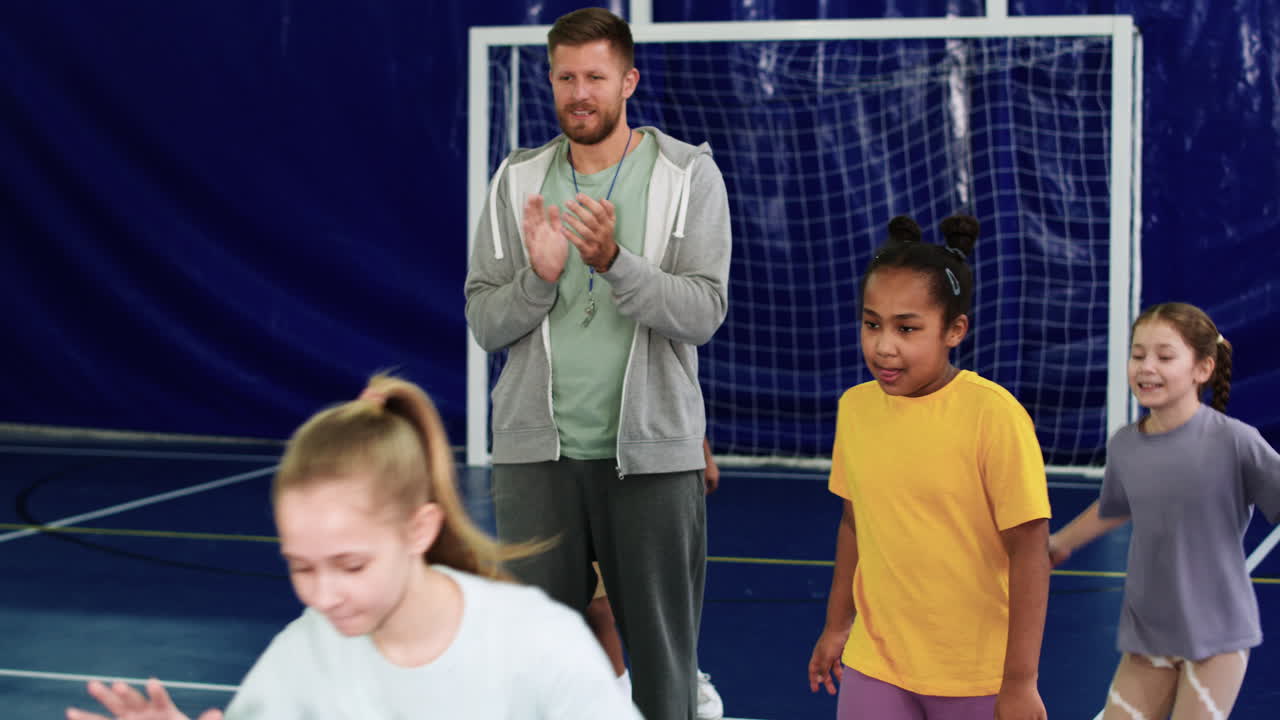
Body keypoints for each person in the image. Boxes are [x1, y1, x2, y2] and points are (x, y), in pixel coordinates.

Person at [66, 375, 642, 720]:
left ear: (419, 530)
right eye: (301, 567)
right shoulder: (304, 654)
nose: (324, 595)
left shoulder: (535, 641)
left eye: (351, 565)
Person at [463, 6, 731, 719]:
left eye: (596, 77)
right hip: (535, 461)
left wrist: (615, 262)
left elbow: (703, 312)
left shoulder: (687, 175)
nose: (579, 93)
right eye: (565, 78)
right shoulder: (517, 179)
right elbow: (485, 321)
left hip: (651, 459)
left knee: (666, 677)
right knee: (535, 678)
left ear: (628, 81)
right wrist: (539, 278)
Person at [807, 215, 1051, 720]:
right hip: (877, 662)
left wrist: (1020, 680)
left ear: (954, 330)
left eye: (907, 328)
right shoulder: (856, 408)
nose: (884, 345)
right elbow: (853, 524)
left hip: (974, 674)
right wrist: (836, 626)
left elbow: (1030, 551)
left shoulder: (993, 415)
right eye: (872, 324)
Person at [1048, 302, 1280, 719]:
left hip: (1217, 636)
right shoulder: (1125, 444)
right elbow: (1114, 506)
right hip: (1148, 633)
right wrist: (1059, 544)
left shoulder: (1235, 442)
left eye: (1165, 356)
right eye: (1138, 355)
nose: (1147, 367)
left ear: (1203, 368)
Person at [585, 437, 725, 719]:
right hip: (575, 473)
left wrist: (704, 454)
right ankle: (619, 703)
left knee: (653, 597)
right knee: (595, 607)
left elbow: (680, 407)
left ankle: (684, 673)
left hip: (645, 470)